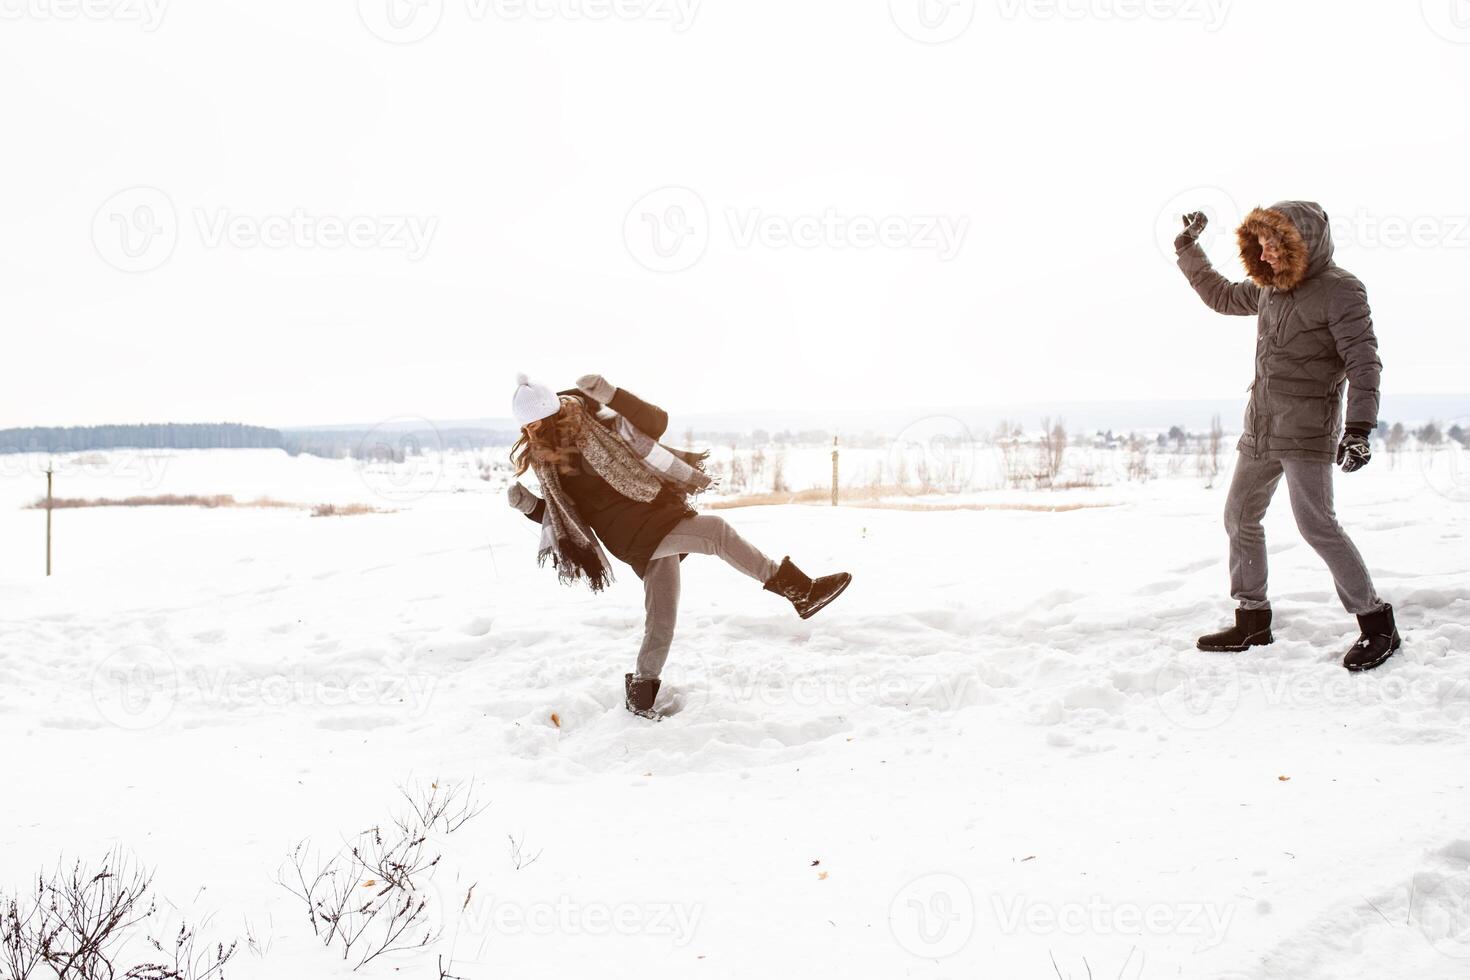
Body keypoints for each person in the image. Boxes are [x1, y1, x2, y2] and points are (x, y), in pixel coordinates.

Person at [505, 373, 853, 717]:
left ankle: (641, 693)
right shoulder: (547, 460)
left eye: (542, 422)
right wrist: (531, 507)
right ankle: (800, 591)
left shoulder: (595, 414)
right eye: (530, 428)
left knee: (661, 616)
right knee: (716, 531)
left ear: (556, 407)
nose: (537, 431)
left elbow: (656, 423)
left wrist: (613, 395)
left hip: (656, 511)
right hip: (630, 534)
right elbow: (567, 518)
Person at [1173, 201, 1400, 671]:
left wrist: (1358, 428)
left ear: (1303, 244)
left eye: (1277, 246)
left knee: (1316, 524)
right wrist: (1188, 249)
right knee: (1239, 516)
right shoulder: (1268, 290)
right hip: (1261, 425)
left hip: (1306, 428)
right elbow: (1218, 295)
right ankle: (1252, 619)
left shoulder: (1341, 291)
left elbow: (1364, 362)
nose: (1268, 254)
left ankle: (1377, 624)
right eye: (1262, 245)